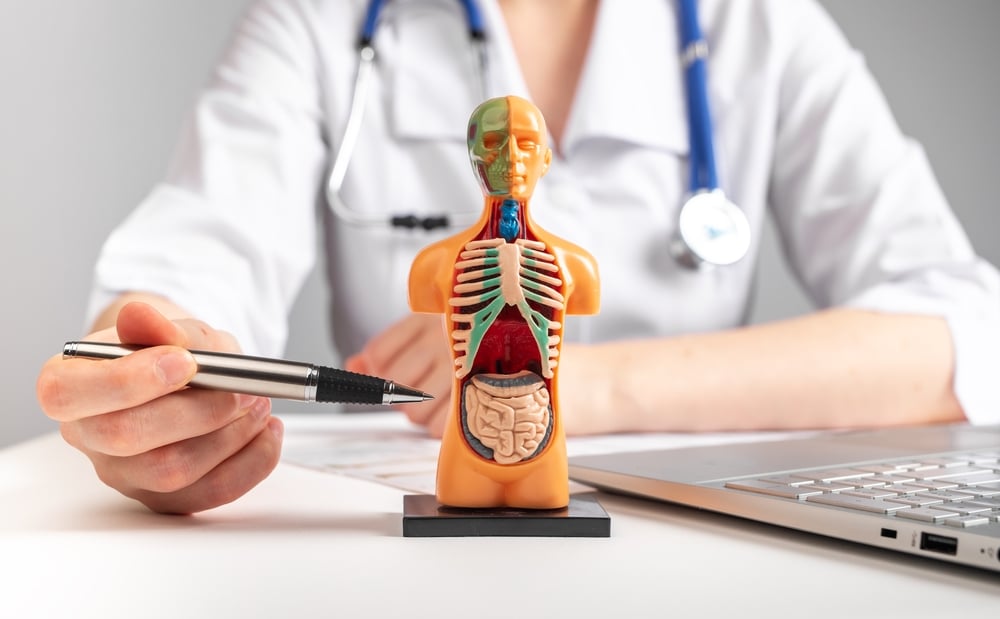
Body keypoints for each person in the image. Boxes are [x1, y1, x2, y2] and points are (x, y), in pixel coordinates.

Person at [35, 0, 1000, 515]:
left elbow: (968, 330)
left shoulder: (758, 26)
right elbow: (191, 261)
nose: (510, 160)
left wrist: (584, 382)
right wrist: (155, 378)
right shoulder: (323, 20)